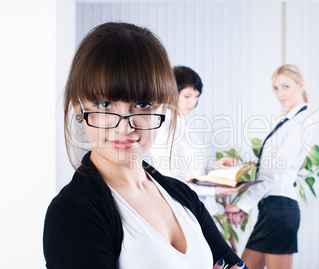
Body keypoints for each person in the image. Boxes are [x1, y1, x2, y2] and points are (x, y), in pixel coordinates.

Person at [43, 22, 247, 269]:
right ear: (79, 107)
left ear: (163, 107)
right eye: (105, 104)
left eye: (142, 105)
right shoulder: (72, 213)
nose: (124, 128)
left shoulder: (182, 197)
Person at [225, 64, 313, 269]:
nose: (280, 93)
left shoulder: (301, 122)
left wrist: (242, 204)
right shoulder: (287, 120)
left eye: (286, 86)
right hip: (269, 209)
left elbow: (274, 170)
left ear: (301, 85)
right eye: (276, 88)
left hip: (280, 210)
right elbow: (267, 167)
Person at [148, 65, 241, 216]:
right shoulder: (164, 128)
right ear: (171, 93)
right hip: (182, 207)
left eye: (196, 96)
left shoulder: (185, 125)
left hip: (199, 208)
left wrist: (217, 167)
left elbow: (195, 172)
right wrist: (214, 191)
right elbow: (171, 181)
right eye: (187, 96)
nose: (193, 103)